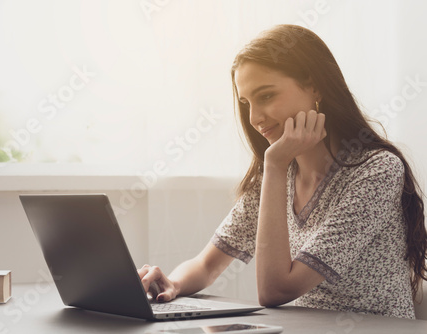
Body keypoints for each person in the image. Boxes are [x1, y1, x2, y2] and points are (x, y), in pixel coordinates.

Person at [137, 24, 427, 319]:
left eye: (265, 96)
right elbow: (207, 265)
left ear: (315, 86)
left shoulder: (377, 171)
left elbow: (275, 291)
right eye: (246, 103)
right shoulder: (278, 176)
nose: (254, 118)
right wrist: (171, 283)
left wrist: (274, 166)